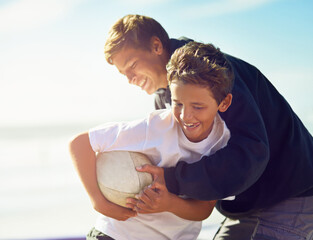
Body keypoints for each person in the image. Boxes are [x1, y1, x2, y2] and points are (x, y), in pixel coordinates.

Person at [101, 14, 313, 239]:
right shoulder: (166, 97)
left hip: (291, 194)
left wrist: (173, 179)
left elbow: (250, 154)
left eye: (132, 66)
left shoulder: (210, 74)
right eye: (124, 74)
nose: (130, 79)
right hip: (245, 207)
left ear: (156, 46)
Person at [69, 42, 234, 240]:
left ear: (224, 102)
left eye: (197, 107)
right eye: (177, 103)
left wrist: (169, 204)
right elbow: (80, 143)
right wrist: (99, 202)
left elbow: (204, 208)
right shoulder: (156, 126)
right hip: (116, 234)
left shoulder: (224, 146)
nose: (185, 115)